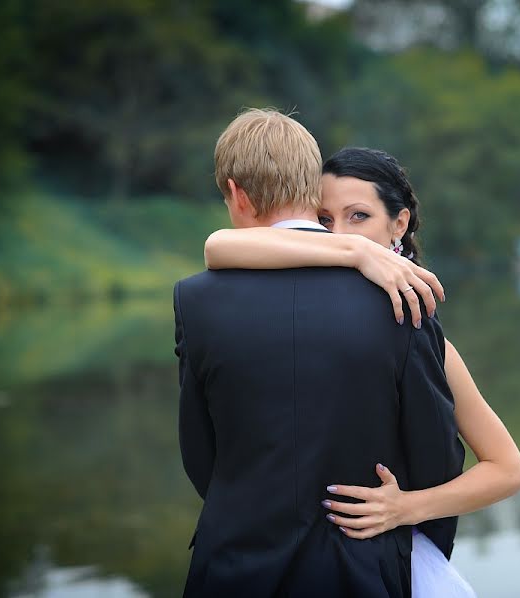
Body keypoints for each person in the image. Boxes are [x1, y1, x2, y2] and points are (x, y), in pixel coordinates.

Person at [203, 146, 520, 597]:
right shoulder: (311, 295)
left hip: (385, 565)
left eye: (357, 217)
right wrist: (355, 251)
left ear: (399, 224)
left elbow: (508, 469)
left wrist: (406, 507)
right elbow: (217, 246)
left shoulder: (419, 332)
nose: (336, 233)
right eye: (324, 219)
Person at [173, 109, 465, 597]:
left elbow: (200, 451)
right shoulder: (400, 298)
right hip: (362, 570)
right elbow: (436, 455)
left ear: (236, 192)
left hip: (233, 567)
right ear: (312, 188)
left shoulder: (195, 300)